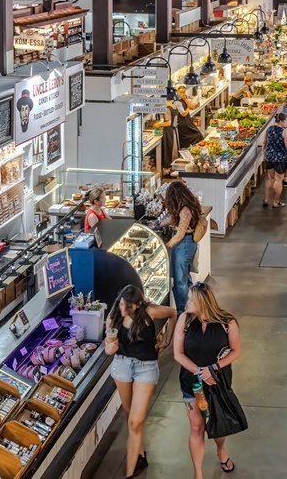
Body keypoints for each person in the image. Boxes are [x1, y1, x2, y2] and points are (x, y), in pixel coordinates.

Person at [105, 285, 177, 479]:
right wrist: (109, 349)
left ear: (137, 305)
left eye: (126, 306)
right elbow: (108, 346)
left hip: (146, 368)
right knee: (131, 418)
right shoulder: (113, 316)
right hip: (121, 367)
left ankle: (129, 474)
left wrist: (167, 341)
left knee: (135, 422)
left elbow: (173, 313)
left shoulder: (150, 312)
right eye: (120, 303)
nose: (122, 308)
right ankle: (141, 456)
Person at [173, 283, 242, 478]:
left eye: (190, 300)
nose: (187, 303)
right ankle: (198, 472)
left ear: (201, 303)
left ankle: (221, 451)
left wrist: (214, 369)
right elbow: (178, 354)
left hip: (217, 384)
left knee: (218, 424)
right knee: (197, 427)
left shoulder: (227, 323)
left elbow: (236, 351)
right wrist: (201, 371)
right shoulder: (184, 320)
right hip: (191, 384)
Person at [163, 181, 202, 312]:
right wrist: (157, 225)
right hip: (187, 244)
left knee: (180, 282)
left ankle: (183, 312)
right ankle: (193, 307)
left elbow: (180, 234)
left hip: (184, 245)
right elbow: (173, 220)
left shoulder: (185, 210)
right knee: (186, 279)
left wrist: (166, 246)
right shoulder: (187, 205)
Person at [262, 113, 287, 209]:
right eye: (286, 120)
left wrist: (265, 153)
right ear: (281, 121)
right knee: (278, 180)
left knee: (270, 178)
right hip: (279, 158)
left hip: (269, 156)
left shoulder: (269, 129)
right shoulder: (284, 131)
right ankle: (276, 201)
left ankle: (266, 199)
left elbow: (264, 143)